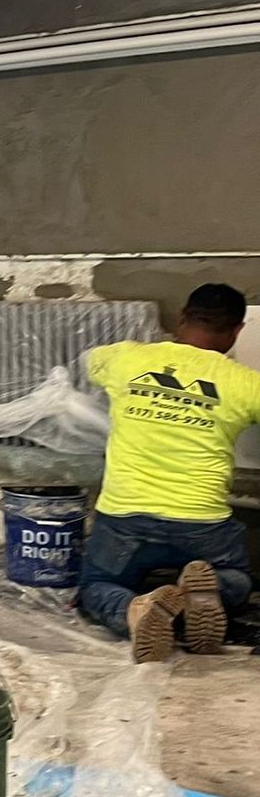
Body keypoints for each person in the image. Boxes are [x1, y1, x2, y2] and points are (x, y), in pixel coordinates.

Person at [80, 283, 260, 662]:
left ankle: (132, 610)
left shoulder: (125, 359)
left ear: (182, 317)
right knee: (236, 580)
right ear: (237, 331)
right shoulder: (246, 384)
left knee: (99, 583)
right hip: (201, 524)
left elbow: (90, 362)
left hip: (125, 519)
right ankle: (205, 592)